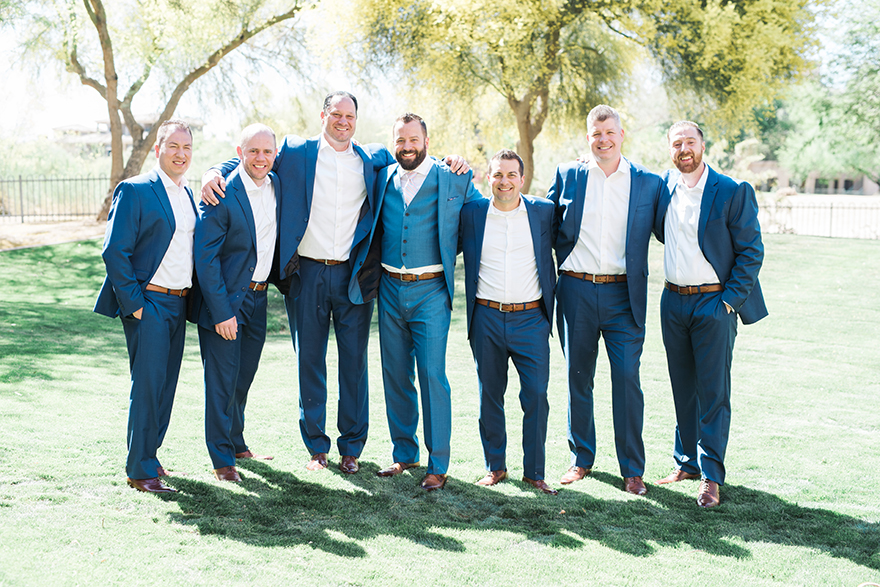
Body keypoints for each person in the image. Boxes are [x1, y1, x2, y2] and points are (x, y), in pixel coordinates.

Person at [202, 93, 467, 475]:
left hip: (353, 274)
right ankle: (317, 447)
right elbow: (254, 155)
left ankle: (351, 446)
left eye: (350, 115)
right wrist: (215, 170)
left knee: (354, 362)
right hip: (306, 272)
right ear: (323, 115)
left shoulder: (374, 157)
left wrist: (452, 160)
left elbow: (417, 159)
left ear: (356, 119)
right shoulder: (296, 150)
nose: (343, 121)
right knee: (309, 360)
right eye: (336, 114)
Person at [547, 105, 664, 496]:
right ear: (588, 138)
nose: (604, 140)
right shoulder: (569, 174)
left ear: (622, 133)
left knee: (627, 379)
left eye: (610, 132)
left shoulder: (648, 182)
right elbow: (544, 223)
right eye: (596, 134)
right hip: (576, 290)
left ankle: (632, 469)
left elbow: (673, 228)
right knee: (578, 378)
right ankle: (582, 459)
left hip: (623, 294)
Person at [365, 113, 480, 491]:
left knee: (432, 375)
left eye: (413, 140)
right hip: (389, 288)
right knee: (396, 374)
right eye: (400, 140)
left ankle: (438, 463)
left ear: (426, 141)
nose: (406, 146)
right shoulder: (382, 177)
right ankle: (404, 453)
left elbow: (482, 214)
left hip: (432, 289)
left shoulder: (453, 176)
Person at [654, 120, 767, 508]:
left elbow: (752, 251)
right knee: (683, 388)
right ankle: (685, 463)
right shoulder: (662, 187)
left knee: (714, 392)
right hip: (672, 301)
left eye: (689, 142)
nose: (683, 149)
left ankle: (711, 476)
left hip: (713, 304)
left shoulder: (731, 190)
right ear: (669, 150)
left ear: (703, 146)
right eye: (676, 144)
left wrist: (729, 303)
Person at [94, 119, 198, 494]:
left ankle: (150, 456)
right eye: (173, 146)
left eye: (187, 147)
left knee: (165, 387)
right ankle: (139, 470)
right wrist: (135, 305)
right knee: (148, 385)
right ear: (158, 149)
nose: (181, 154)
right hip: (149, 303)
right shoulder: (136, 190)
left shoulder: (189, 195)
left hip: (179, 304)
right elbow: (114, 251)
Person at [460, 149, 558, 495]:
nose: (504, 182)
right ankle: (495, 467)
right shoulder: (471, 214)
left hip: (531, 318)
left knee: (536, 395)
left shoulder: (543, 213)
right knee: (490, 395)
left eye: (511, 175)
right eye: (498, 175)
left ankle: (534, 472)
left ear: (522, 178)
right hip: (485, 316)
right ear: (489, 177)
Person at [191, 124, 279, 482]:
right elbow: (205, 257)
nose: (260, 158)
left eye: (267, 152)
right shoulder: (221, 192)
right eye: (253, 151)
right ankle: (222, 459)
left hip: (259, 299)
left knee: (243, 377)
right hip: (227, 302)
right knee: (222, 380)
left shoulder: (278, 185)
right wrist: (221, 312)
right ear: (239, 152)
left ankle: (236, 441)